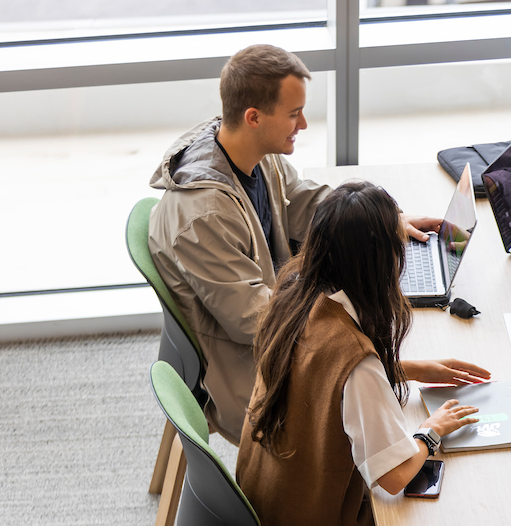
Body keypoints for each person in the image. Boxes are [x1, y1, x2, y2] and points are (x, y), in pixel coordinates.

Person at [149, 44, 480, 444]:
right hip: (256, 376)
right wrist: (388, 365)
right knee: (387, 416)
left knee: (385, 333)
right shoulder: (203, 217)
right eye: (293, 114)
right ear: (253, 117)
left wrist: (384, 221)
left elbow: (307, 203)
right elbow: (256, 322)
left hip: (283, 330)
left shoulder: (252, 154)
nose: (303, 124)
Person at [235, 181, 482, 526]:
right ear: (380, 263)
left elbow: (320, 373)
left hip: (264, 499)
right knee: (465, 521)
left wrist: (407, 367)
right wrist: (432, 432)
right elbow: (393, 475)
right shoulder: (357, 364)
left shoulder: (293, 293)